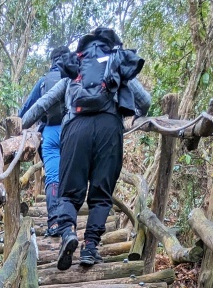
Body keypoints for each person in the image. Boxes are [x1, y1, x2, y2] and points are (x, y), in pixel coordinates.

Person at [22, 27, 150, 270]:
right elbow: (145, 101)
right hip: (109, 129)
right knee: (101, 195)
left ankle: (68, 232)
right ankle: (90, 247)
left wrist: (21, 127)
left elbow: (43, 103)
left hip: (76, 129)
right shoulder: (117, 63)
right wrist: (137, 117)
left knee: (69, 192)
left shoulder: (77, 65)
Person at [18, 45, 70, 237]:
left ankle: (54, 222)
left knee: (53, 178)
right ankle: (69, 222)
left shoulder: (43, 83)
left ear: (52, 62)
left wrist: (17, 125)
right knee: (71, 175)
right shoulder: (74, 79)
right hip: (71, 133)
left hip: (49, 134)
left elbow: (26, 109)